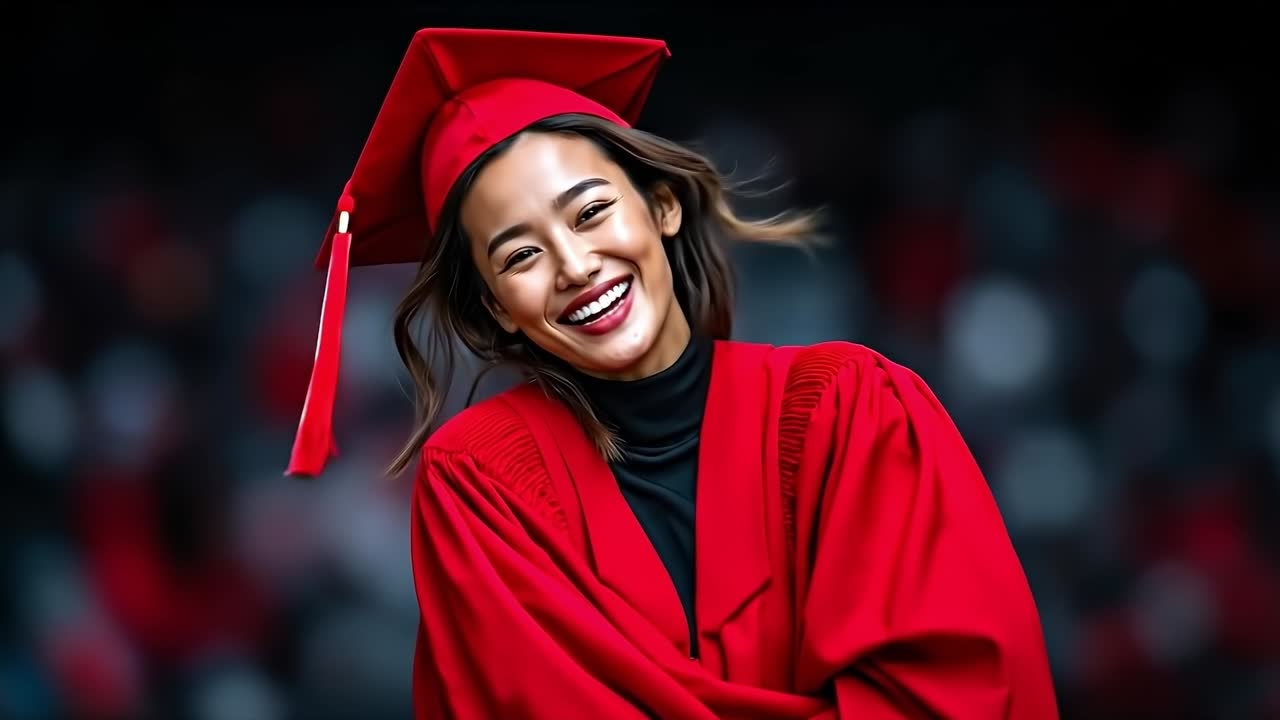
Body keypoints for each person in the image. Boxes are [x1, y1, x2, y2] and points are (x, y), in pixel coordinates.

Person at [285, 27, 1059, 719]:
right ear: (495, 310)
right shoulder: (481, 486)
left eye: (590, 212)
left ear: (661, 206)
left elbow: (958, 692)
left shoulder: (852, 407)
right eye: (520, 255)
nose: (575, 266)